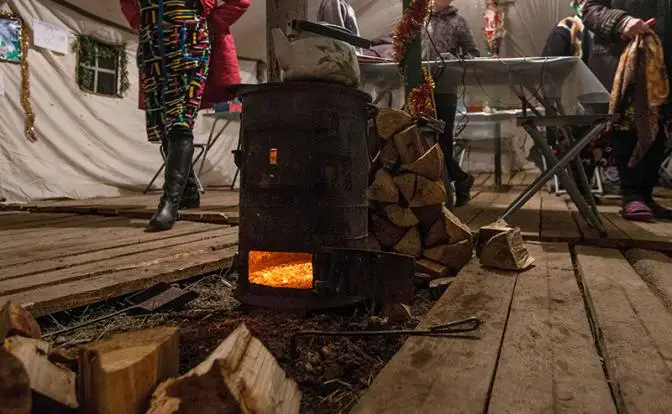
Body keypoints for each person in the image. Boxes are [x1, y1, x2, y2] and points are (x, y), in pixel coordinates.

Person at [120, 0, 250, 231]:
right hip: (152, 47)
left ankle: (170, 203)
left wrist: (212, 23)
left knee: (180, 117)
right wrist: (138, 19)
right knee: (162, 122)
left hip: (188, 42)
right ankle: (187, 191)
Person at [582, 0, 672, 221]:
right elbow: (589, 10)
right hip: (624, 58)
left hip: (663, 62)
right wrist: (621, 21)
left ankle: (645, 196)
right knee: (627, 126)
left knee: (659, 129)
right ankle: (631, 195)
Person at [422, 0, 479, 206]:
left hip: (446, 87)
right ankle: (459, 180)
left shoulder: (458, 22)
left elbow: (474, 53)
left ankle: (453, 187)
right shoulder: (420, 20)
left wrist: (454, 59)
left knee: (442, 140)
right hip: (421, 88)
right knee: (425, 140)